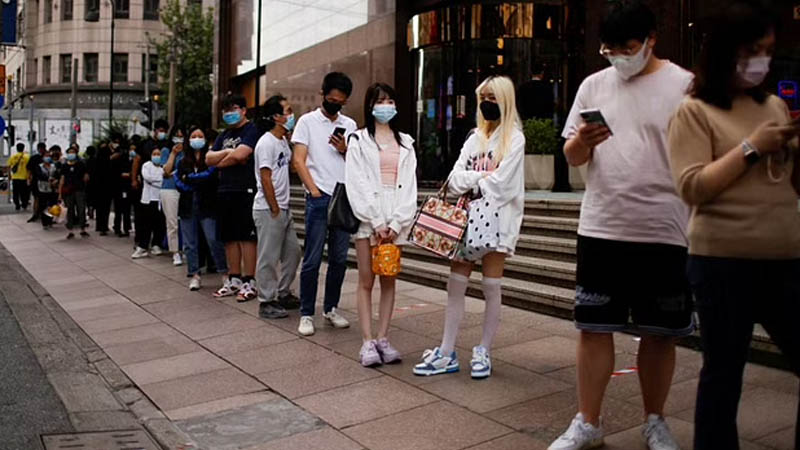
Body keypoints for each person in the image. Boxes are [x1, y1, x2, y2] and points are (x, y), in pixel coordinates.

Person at [548, 3, 693, 450]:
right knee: (593, 327)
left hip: (664, 227)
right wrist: (581, 141)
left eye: (627, 48)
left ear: (651, 40)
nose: (618, 58)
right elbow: (573, 157)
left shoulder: (684, 85)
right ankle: (588, 422)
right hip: (602, 225)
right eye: (609, 50)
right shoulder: (594, 85)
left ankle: (655, 421)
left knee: (660, 333)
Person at [667, 3, 800, 449]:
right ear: (727, 51)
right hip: (722, 261)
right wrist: (751, 147)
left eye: (769, 51)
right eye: (752, 50)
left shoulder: (774, 106)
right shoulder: (694, 111)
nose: (762, 60)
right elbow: (692, 186)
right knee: (724, 374)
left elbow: (789, 184)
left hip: (785, 257)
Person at [412, 76, 524, 379]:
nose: (487, 103)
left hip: (498, 222)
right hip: (466, 220)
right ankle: (446, 351)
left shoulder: (515, 139)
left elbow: (503, 186)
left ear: (505, 100)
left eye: (492, 97)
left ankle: (484, 349)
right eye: (483, 97)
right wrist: (481, 178)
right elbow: (453, 179)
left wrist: (473, 180)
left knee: (491, 286)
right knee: (455, 284)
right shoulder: (475, 138)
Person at [346, 83, 418, 367]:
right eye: (380, 101)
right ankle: (367, 341)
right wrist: (375, 220)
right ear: (370, 105)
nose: (386, 106)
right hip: (368, 218)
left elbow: (409, 184)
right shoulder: (358, 139)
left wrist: (397, 222)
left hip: (396, 216)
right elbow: (356, 182)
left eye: (390, 100)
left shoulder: (406, 142)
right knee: (366, 280)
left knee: (389, 278)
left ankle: (383, 338)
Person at [291, 72, 356, 336]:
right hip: (319, 196)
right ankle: (306, 313)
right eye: (331, 100)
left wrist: (344, 149)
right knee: (312, 258)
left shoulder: (350, 124)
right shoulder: (307, 122)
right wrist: (314, 191)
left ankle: (331, 308)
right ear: (323, 94)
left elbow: (357, 161)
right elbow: (298, 160)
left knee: (339, 259)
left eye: (340, 102)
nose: (335, 105)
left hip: (343, 196)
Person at [250, 95, 303, 319]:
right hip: (268, 208)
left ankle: (283, 292)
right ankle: (266, 301)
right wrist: (274, 208)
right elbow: (265, 177)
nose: (291, 115)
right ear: (276, 117)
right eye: (287, 111)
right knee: (268, 257)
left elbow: (290, 169)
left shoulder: (282, 142)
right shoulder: (266, 143)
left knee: (293, 253)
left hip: (284, 207)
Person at [205, 94, 260, 301]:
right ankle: (234, 279)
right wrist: (229, 152)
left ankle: (249, 281)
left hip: (245, 189)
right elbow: (208, 158)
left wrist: (221, 160)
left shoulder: (252, 129)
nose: (229, 114)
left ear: (244, 110)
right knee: (229, 237)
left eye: (233, 109)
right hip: (225, 190)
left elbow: (241, 155)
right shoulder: (224, 135)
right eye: (226, 110)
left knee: (246, 237)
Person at [175, 127, 229, 291]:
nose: (197, 139)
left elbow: (210, 178)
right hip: (187, 206)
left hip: (208, 205)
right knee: (190, 243)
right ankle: (195, 274)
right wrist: (191, 182)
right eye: (193, 136)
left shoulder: (210, 158)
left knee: (213, 240)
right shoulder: (182, 161)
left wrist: (190, 178)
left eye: (200, 136)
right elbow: (178, 182)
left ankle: (224, 273)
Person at [133, 119, 170, 252]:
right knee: (143, 217)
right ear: (155, 131)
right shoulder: (145, 144)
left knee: (160, 218)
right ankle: (141, 241)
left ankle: (157, 242)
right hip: (146, 188)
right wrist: (134, 179)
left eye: (165, 131)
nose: (162, 133)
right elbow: (137, 161)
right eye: (160, 130)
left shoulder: (167, 144)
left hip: (162, 188)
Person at [132, 148, 166, 258]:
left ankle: (156, 244)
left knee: (159, 224)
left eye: (158, 154)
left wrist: (157, 180)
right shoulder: (146, 165)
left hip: (160, 199)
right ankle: (142, 246)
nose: (156, 156)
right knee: (146, 224)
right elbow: (147, 178)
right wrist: (160, 180)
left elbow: (164, 181)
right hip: (147, 200)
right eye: (154, 154)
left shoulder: (164, 167)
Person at [161, 126, 185, 266]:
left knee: (187, 221)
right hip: (169, 189)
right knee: (172, 223)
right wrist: (173, 154)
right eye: (177, 136)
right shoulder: (166, 151)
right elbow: (166, 171)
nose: (179, 139)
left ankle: (186, 249)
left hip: (185, 189)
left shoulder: (187, 152)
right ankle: (175, 252)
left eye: (181, 136)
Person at [58, 146, 90, 239]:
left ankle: (82, 229)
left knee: (81, 209)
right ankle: (70, 230)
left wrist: (85, 180)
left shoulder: (81, 164)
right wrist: (60, 193)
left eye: (73, 152)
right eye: (70, 152)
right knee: (70, 210)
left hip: (79, 190)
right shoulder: (64, 166)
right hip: (68, 191)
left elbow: (86, 176)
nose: (71, 154)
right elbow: (62, 179)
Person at [111, 142, 134, 237]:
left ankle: (124, 228)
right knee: (121, 209)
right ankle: (119, 227)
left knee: (124, 209)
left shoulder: (131, 160)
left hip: (125, 186)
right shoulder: (116, 161)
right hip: (119, 186)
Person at [92, 143, 114, 235]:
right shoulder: (109, 162)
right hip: (107, 187)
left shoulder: (96, 160)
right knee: (105, 208)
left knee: (99, 208)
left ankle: (99, 226)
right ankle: (104, 226)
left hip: (98, 187)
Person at [35, 147, 59, 229]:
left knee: (52, 205)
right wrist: (48, 179)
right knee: (43, 205)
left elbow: (57, 174)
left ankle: (50, 220)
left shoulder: (53, 166)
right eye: (46, 156)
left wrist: (55, 180)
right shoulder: (39, 166)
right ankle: (44, 222)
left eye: (49, 156)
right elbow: (39, 175)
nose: (48, 157)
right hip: (43, 188)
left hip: (52, 188)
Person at [26, 142, 47, 222]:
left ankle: (42, 214)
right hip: (36, 180)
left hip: (45, 181)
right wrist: (29, 178)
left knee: (43, 199)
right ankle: (35, 214)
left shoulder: (47, 157)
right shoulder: (34, 158)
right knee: (36, 198)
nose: (41, 150)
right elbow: (29, 169)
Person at [9, 143, 30, 211]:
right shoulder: (27, 157)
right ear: (23, 148)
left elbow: (9, 166)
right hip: (24, 177)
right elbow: (29, 168)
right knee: (24, 192)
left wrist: (9, 175)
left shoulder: (13, 157)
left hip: (15, 178)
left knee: (15, 193)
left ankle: (17, 205)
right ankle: (24, 204)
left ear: (17, 148)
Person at [84, 145, 97, 220]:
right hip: (96, 182)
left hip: (89, 182)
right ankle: (93, 209)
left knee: (89, 197)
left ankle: (89, 208)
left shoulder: (86, 161)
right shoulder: (97, 161)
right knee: (95, 197)